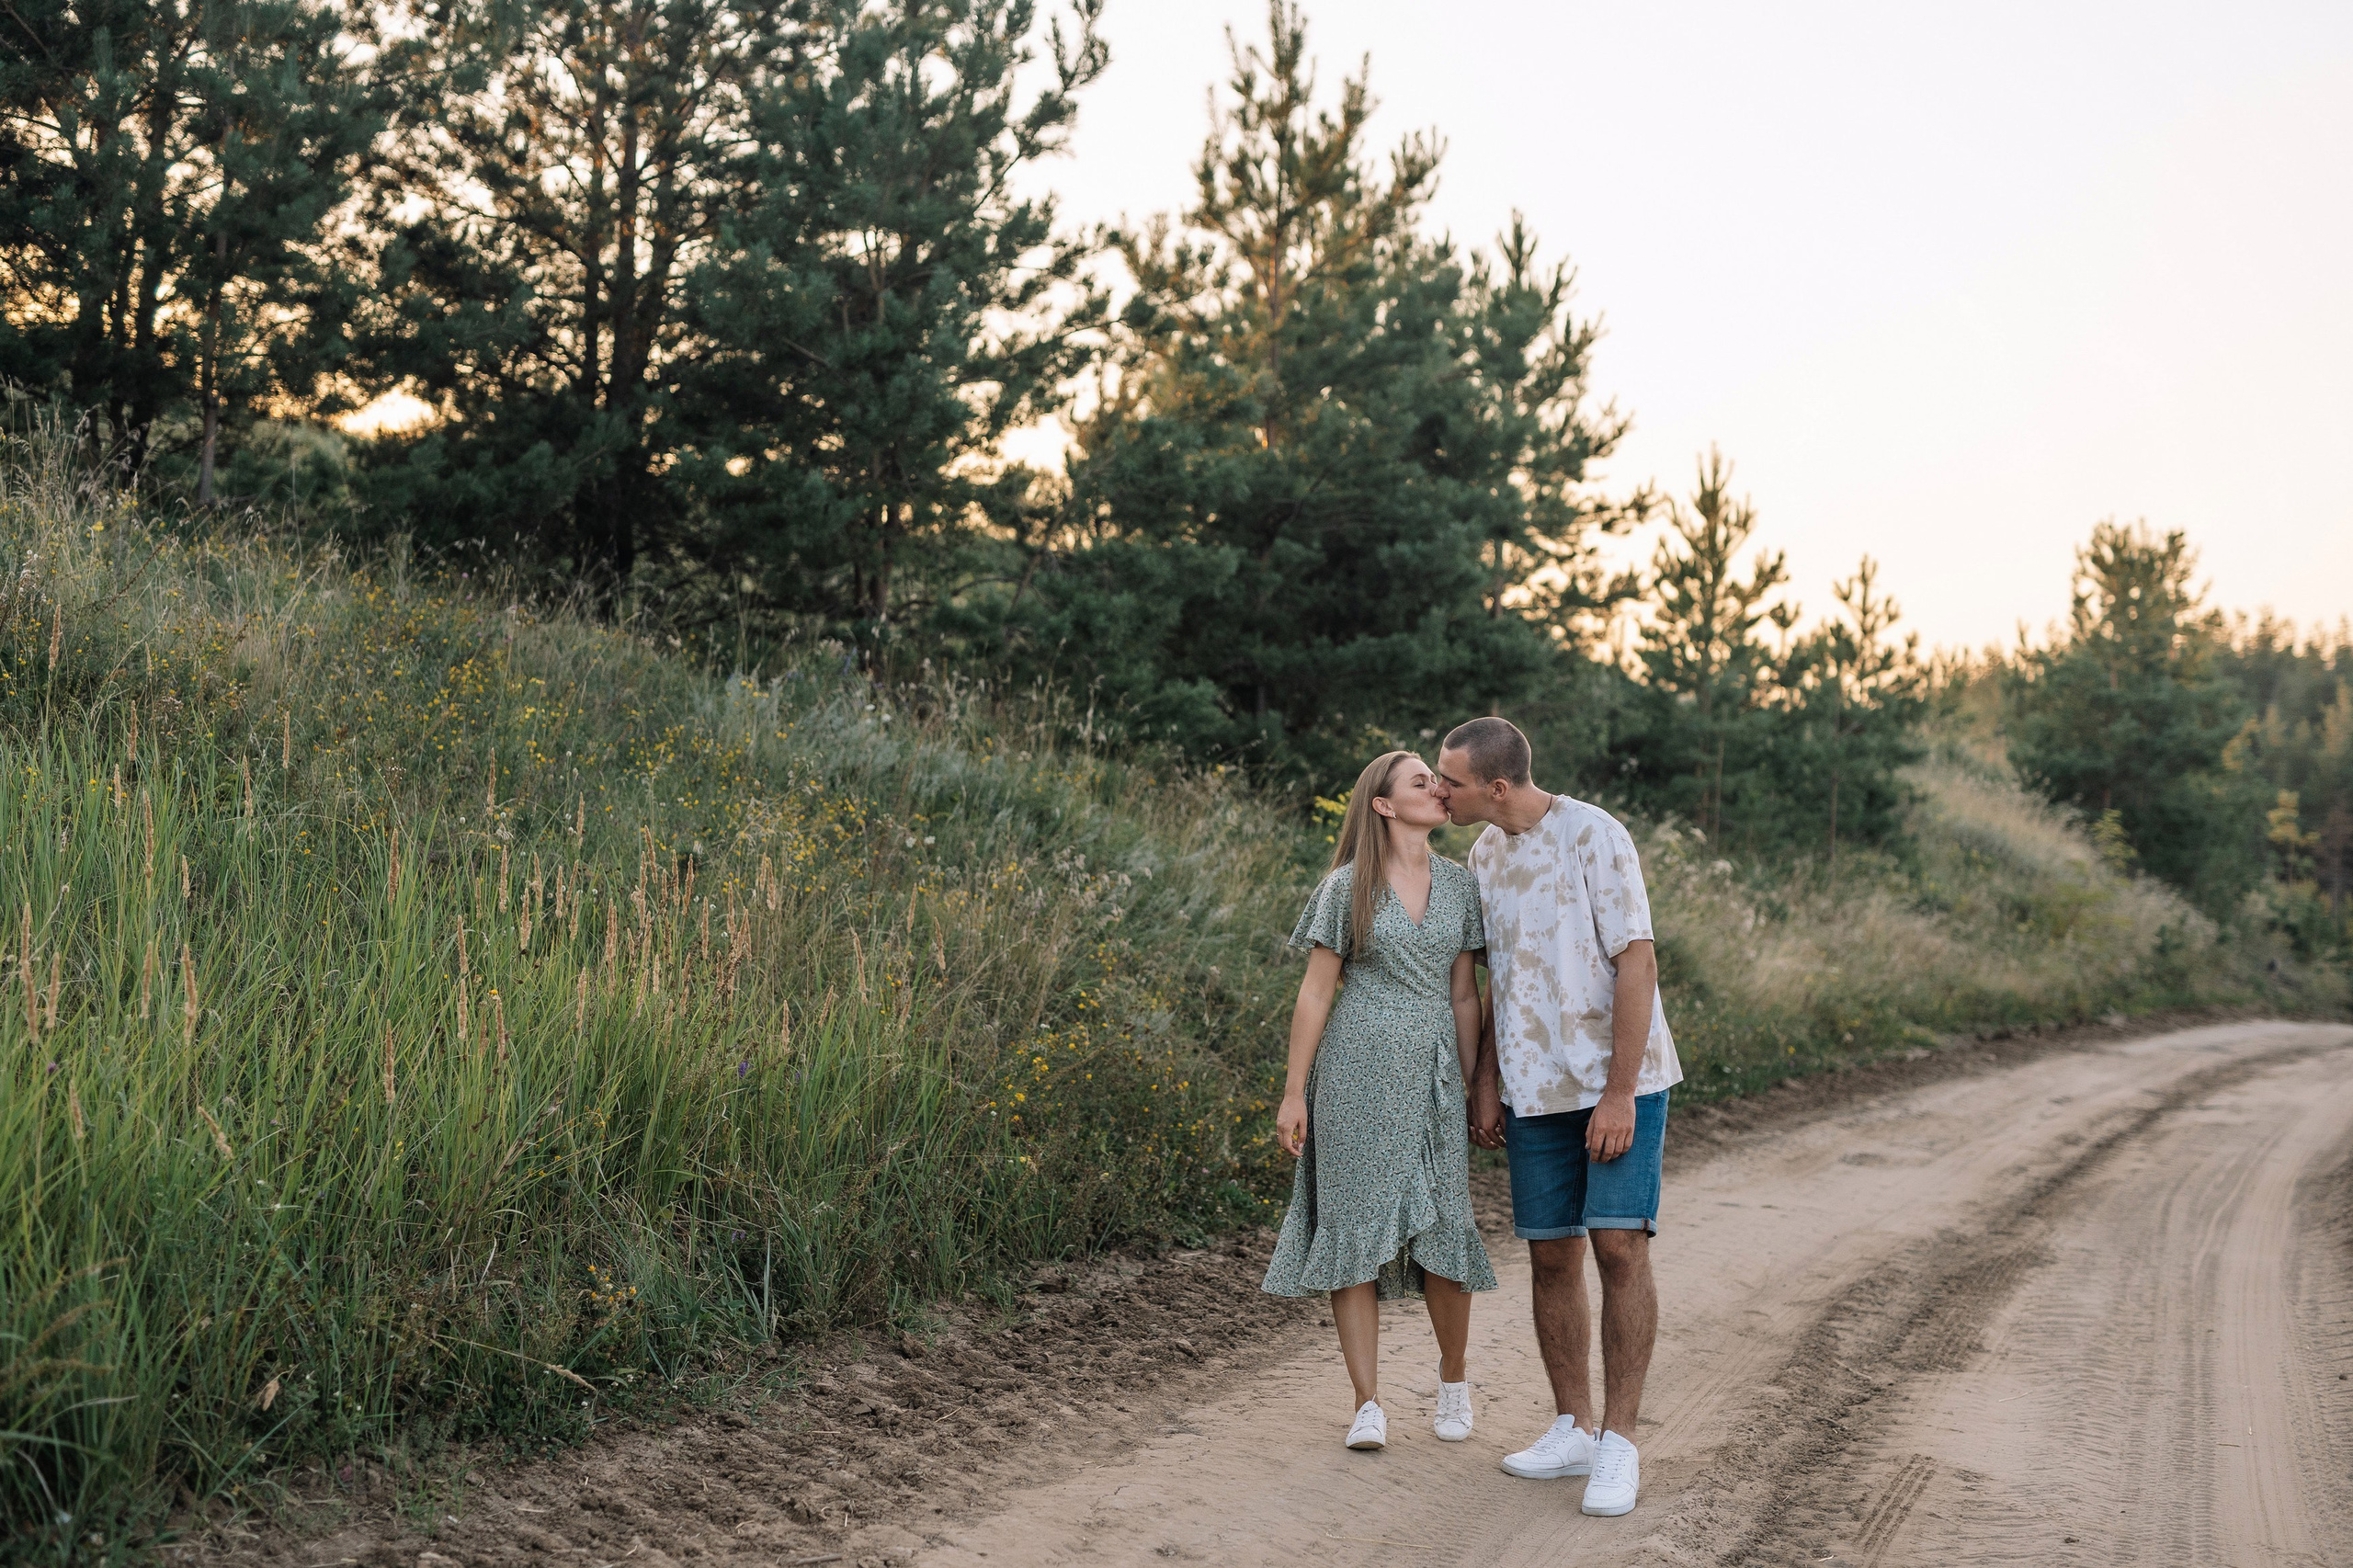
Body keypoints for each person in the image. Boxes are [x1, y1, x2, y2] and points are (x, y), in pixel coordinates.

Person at [1436, 715, 1682, 1518]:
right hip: (1533, 1093)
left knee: (1618, 1248)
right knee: (1550, 1260)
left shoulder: (1595, 836)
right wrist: (1486, 1082)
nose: (1442, 791)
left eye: (1453, 781)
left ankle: (1619, 1443)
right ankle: (1573, 1426)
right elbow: (1498, 980)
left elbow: (1636, 961)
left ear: (1496, 786)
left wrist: (1617, 1093)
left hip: (1619, 1083)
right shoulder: (1481, 855)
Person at [1262, 749, 1498, 1451]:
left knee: (1444, 1230)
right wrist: (1293, 1092)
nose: (1438, 788)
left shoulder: (1461, 887)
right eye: (1421, 781)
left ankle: (1453, 1379)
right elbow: (1315, 990)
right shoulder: (1347, 886)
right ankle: (1367, 1403)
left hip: (1432, 1074)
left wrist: (1475, 1086)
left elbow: (1464, 995)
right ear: (1386, 806)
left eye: (1437, 779)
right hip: (1356, 1068)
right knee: (1355, 1230)